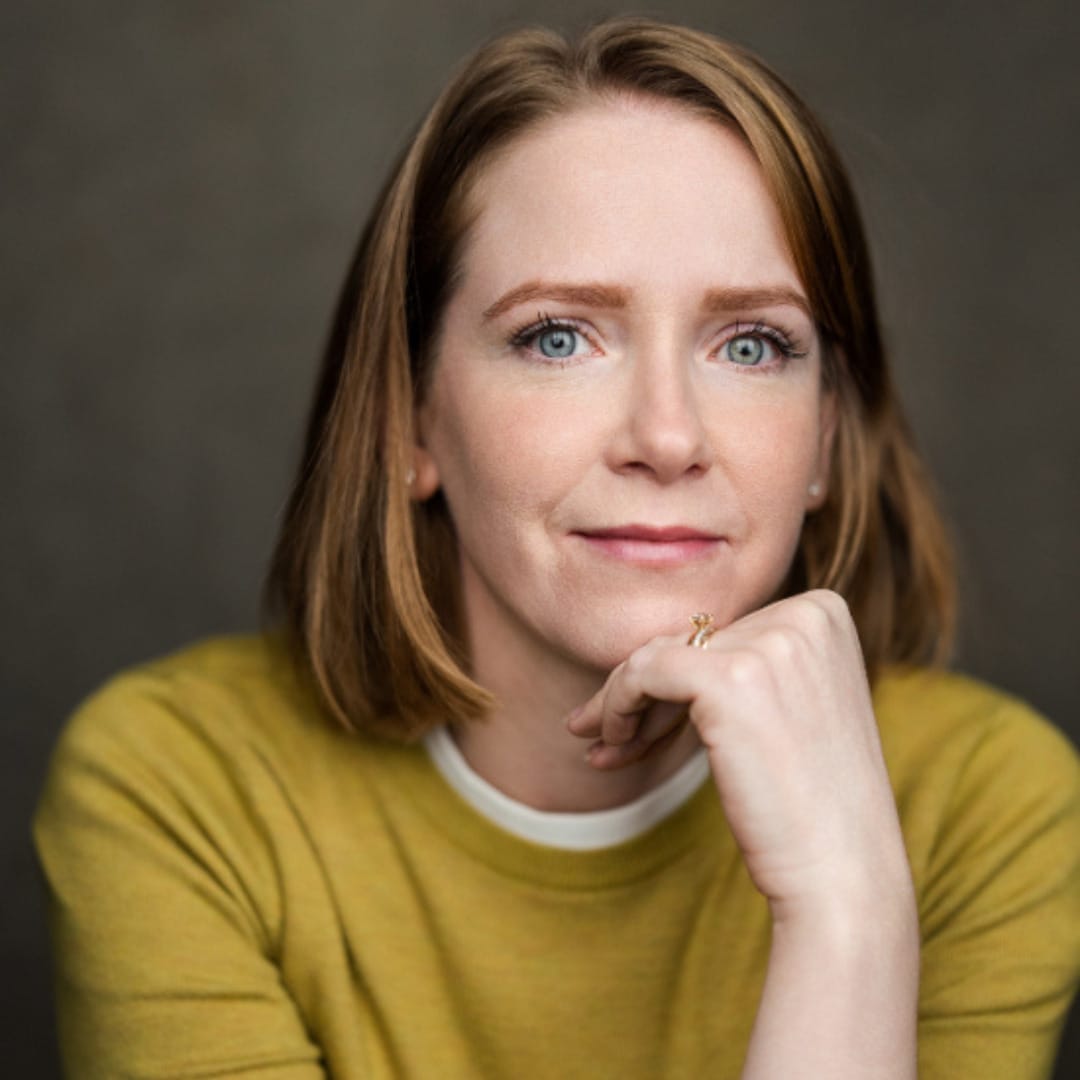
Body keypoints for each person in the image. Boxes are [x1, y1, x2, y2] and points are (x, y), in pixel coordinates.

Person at [33, 16, 1080, 1079]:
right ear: (410, 419)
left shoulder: (988, 808)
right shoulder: (177, 789)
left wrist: (848, 911)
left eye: (754, 344)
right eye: (558, 337)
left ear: (824, 439)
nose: (667, 438)